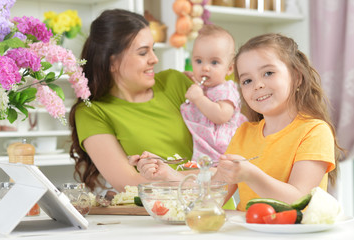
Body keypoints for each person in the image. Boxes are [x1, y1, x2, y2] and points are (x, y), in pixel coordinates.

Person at [211, 33, 343, 211]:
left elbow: (299, 198)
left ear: (297, 77)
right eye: (247, 80)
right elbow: (210, 203)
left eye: (268, 73)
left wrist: (250, 175)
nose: (257, 85)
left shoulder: (315, 131)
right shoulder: (243, 133)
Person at [69, 9, 195, 194]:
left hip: (211, 204)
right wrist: (209, 177)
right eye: (143, 53)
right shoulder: (92, 112)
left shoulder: (175, 82)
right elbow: (130, 184)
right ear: (112, 63)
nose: (154, 59)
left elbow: (226, 134)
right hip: (152, 216)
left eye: (153, 49)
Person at [180, 24, 247, 164]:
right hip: (204, 146)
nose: (204, 68)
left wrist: (199, 98)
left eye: (214, 62)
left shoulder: (226, 89)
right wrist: (191, 77)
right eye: (198, 61)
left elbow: (221, 115)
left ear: (229, 69)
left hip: (222, 147)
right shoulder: (204, 85)